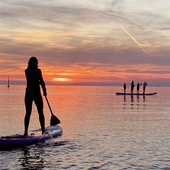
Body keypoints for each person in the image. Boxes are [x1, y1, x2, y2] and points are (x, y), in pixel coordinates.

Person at [24, 57, 47, 136]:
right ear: (36, 63)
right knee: (40, 112)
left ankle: (25, 131)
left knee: (28, 113)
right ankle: (43, 130)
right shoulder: (38, 71)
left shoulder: (26, 71)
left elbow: (35, 80)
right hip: (36, 93)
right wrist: (44, 91)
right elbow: (41, 81)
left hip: (28, 93)